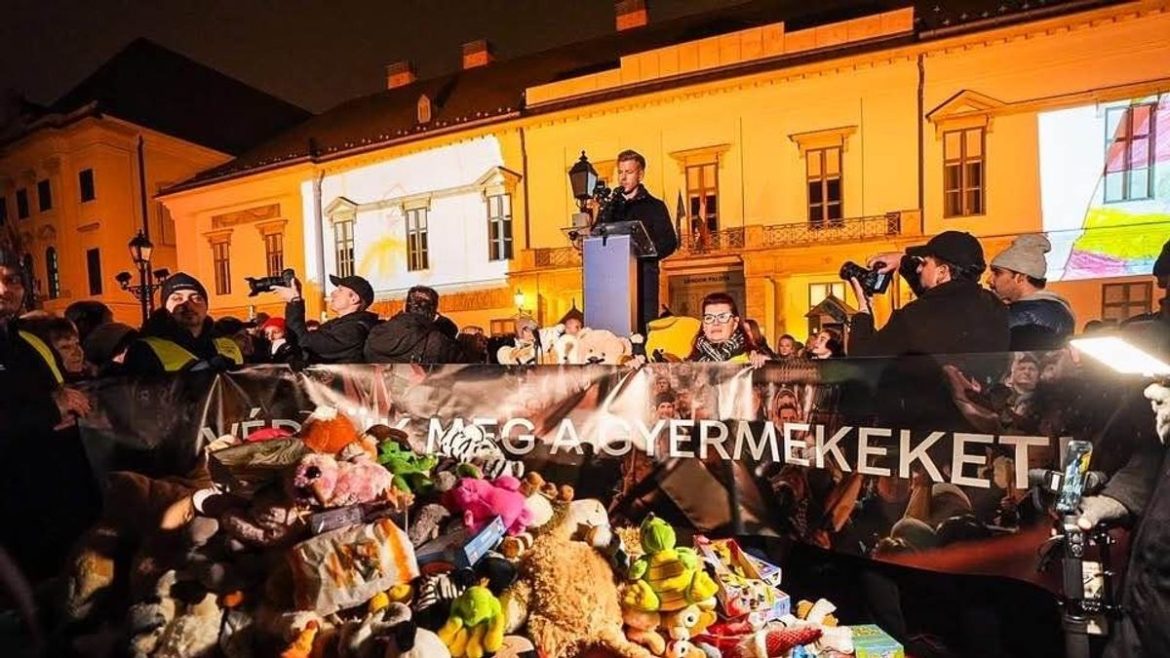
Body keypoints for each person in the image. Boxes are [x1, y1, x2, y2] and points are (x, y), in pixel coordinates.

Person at [849, 231, 1010, 356]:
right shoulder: (994, 307)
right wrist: (902, 261)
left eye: (924, 263)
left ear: (942, 272)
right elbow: (941, 297)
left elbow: (863, 358)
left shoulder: (914, 316)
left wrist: (863, 308)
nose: (919, 269)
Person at [596, 150, 679, 332]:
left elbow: (670, 242)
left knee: (642, 332)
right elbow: (597, 235)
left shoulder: (655, 206)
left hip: (644, 280)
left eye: (629, 172)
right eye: (620, 172)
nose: (623, 178)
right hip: (613, 281)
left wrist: (645, 252)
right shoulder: (610, 209)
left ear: (640, 175)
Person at [123, 273, 244, 374]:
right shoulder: (144, 349)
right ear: (165, 306)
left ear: (206, 306)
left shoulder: (229, 345)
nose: (188, 304)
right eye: (177, 298)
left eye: (196, 298)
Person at [986, 234, 1075, 350]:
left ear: (1020, 277)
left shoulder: (1021, 314)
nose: (989, 280)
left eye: (998, 273)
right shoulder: (1057, 308)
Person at [273, 273, 379, 364]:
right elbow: (298, 343)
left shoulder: (353, 331)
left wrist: (295, 301)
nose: (333, 293)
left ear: (354, 299)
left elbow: (304, 341)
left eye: (340, 290)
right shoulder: (339, 325)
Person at [364, 285, 463, 364]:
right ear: (433, 312)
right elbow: (463, 369)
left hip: (378, 383)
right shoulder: (437, 341)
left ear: (404, 306)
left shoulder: (376, 332)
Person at [686, 292, 768, 367]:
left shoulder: (752, 359)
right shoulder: (689, 365)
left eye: (722, 317)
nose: (715, 323)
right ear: (704, 325)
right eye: (709, 318)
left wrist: (766, 365)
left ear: (735, 323)